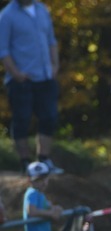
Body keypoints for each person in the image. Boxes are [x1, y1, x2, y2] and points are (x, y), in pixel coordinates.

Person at [0, 0, 63, 175]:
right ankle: (25, 163)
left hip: (46, 76)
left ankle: (44, 160)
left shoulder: (42, 9)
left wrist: (55, 64)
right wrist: (16, 73)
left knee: (49, 117)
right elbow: (3, 50)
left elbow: (51, 40)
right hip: (21, 80)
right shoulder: (6, 16)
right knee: (22, 119)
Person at [22, 160, 67, 231]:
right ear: (29, 180)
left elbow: (48, 207)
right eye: (38, 180)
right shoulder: (32, 193)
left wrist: (56, 209)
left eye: (44, 179)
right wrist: (51, 213)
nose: (42, 183)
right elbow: (31, 211)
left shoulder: (40, 194)